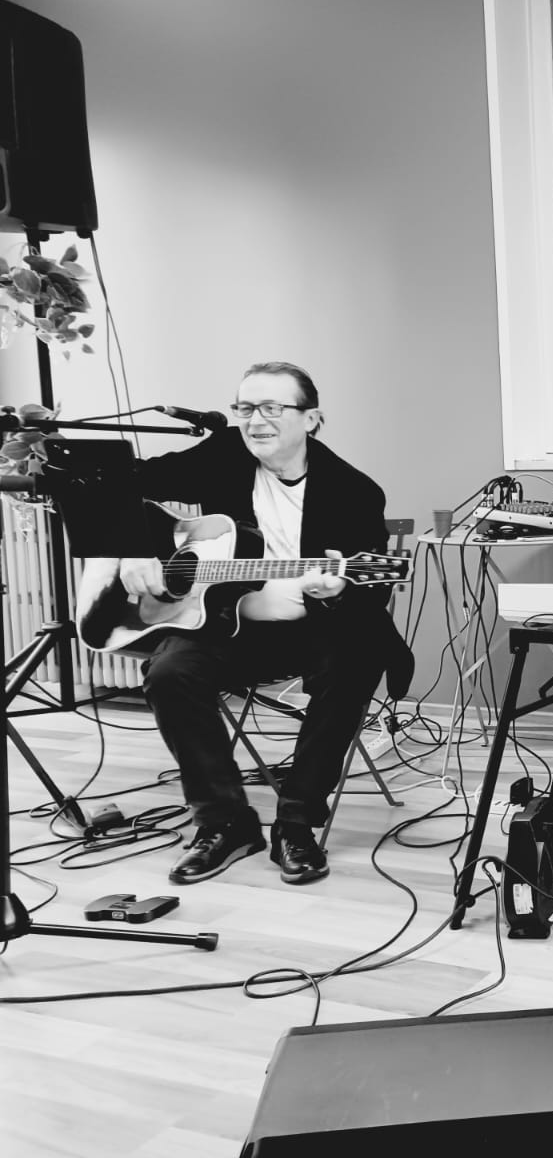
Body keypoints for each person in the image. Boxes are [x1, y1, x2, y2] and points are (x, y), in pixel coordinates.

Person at [121, 362, 412, 885]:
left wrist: (340, 588)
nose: (256, 420)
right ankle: (225, 822)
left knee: (356, 659)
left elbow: (374, 586)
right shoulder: (225, 453)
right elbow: (125, 483)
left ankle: (296, 824)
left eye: (273, 408)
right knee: (168, 673)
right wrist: (132, 551)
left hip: (313, 627)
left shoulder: (354, 490)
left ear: (311, 419)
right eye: (246, 408)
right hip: (223, 621)